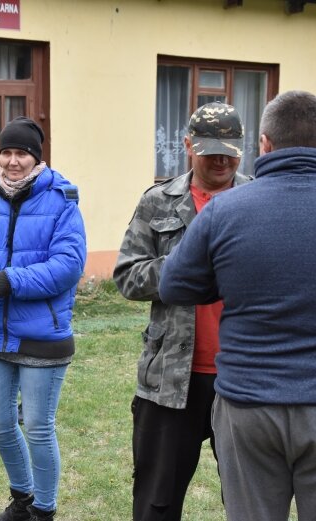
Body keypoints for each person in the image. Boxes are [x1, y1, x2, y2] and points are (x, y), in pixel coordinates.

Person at [158, 91, 316, 521]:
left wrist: (229, 280)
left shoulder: (225, 210)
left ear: (265, 144)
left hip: (249, 409)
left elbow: (176, 285)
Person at [114, 102, 251, 521]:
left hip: (245, 375)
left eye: (231, 150)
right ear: (188, 145)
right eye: (211, 150)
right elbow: (127, 276)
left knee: (251, 503)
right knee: (157, 502)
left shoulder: (258, 200)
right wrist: (183, 266)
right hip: (171, 378)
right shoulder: (158, 201)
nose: (222, 160)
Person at [0, 117, 86, 521]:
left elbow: (68, 266)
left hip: (43, 334)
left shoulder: (62, 200)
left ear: (37, 157)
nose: (13, 162)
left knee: (36, 426)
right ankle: (22, 499)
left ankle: (44, 511)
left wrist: (5, 281)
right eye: (7, 153)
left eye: (22, 154)